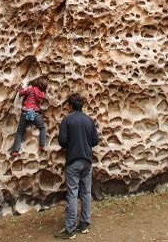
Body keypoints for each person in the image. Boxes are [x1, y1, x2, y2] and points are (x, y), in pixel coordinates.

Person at [54, 93, 99, 239]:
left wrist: (72, 143)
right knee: (86, 193)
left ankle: (70, 230)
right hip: (87, 161)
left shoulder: (67, 120)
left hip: (73, 161)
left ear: (71, 106)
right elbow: (95, 141)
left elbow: (62, 141)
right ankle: (84, 225)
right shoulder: (89, 120)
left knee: (72, 194)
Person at [11, 76, 48, 156]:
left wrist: (22, 87)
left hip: (25, 112)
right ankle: (42, 144)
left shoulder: (31, 89)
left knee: (20, 132)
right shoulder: (42, 94)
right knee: (42, 128)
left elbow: (21, 94)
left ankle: (15, 151)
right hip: (35, 113)